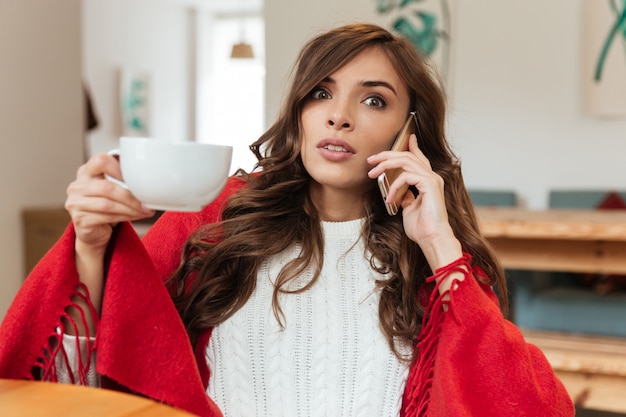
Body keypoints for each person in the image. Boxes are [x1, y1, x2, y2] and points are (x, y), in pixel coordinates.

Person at [0, 23, 574, 417]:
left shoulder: (431, 260)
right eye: (321, 92)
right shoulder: (220, 220)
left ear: (410, 131)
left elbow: (529, 404)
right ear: (299, 111)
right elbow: (106, 363)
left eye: (373, 100)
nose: (339, 116)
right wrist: (91, 246)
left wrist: (440, 243)